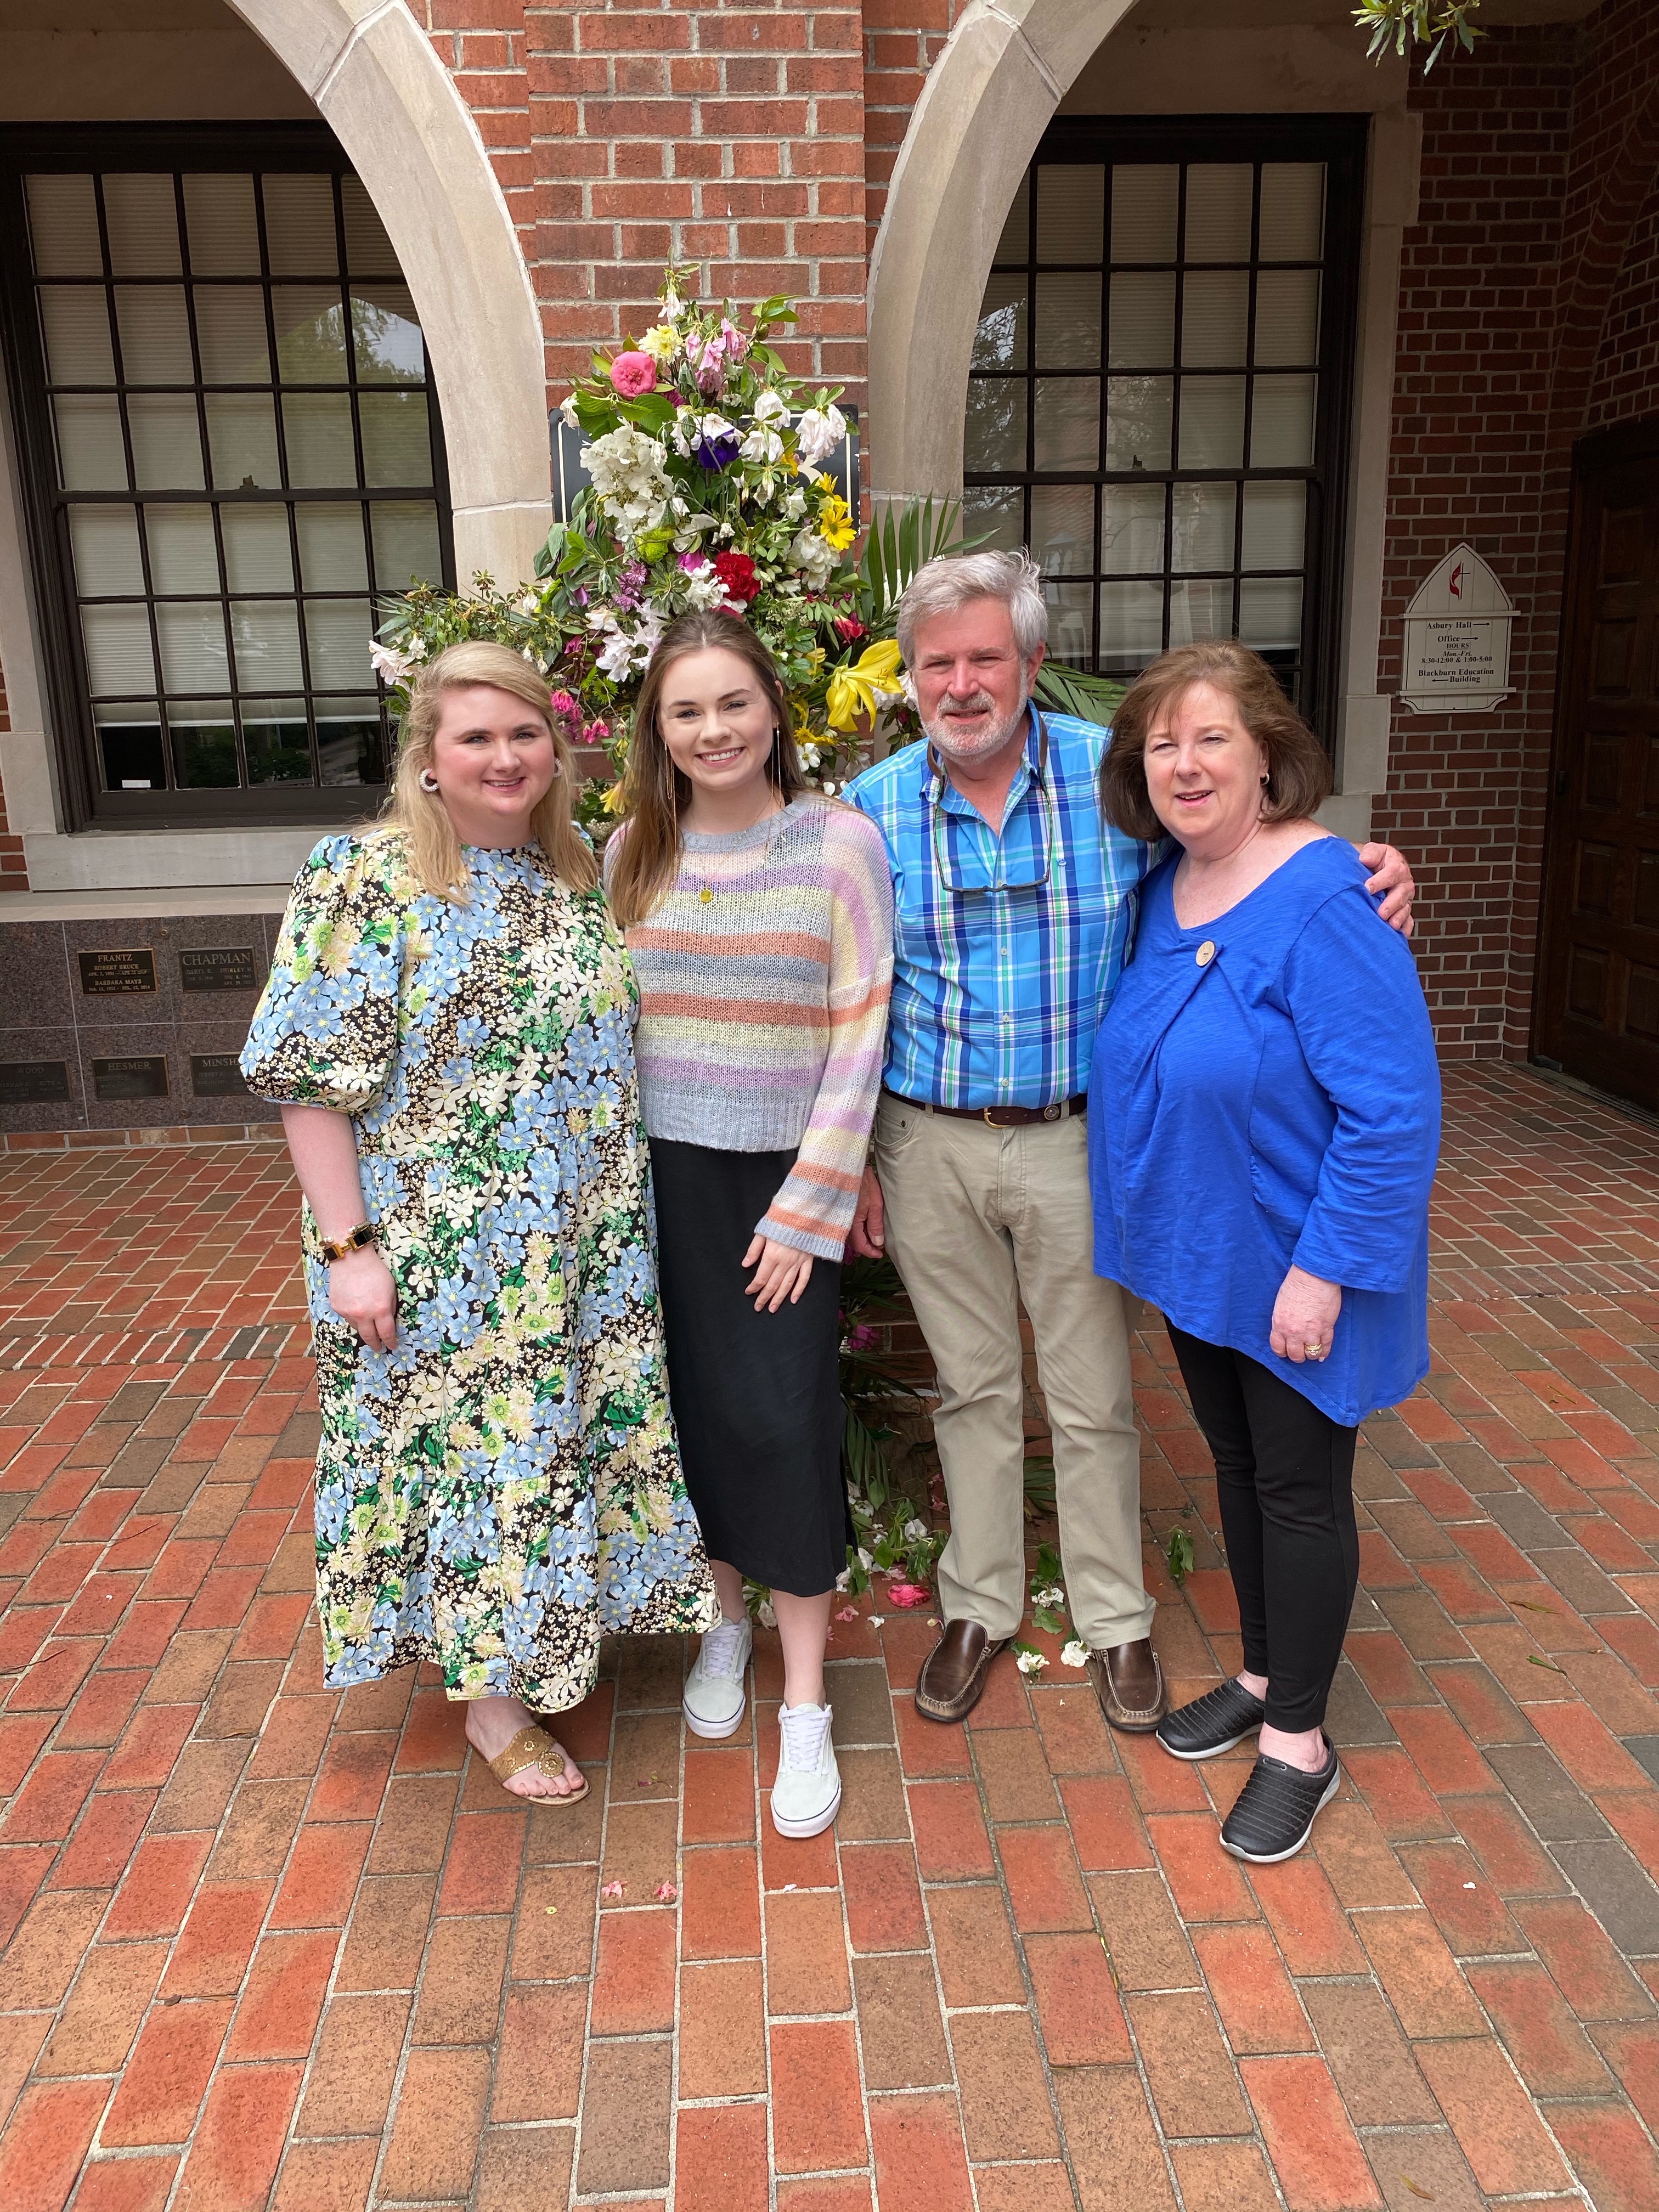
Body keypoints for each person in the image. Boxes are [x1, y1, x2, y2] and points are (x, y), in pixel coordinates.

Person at [846, 551, 1418, 1736]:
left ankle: (1114, 1619)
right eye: (938, 664)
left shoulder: (1117, 787)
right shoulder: (870, 811)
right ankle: (979, 1603)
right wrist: (851, 1158)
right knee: (971, 1387)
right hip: (927, 1138)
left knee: (1094, 1394)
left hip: (1075, 1142)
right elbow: (845, 990)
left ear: (1032, 663)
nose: (962, 685)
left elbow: (1247, 854)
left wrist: (1362, 861)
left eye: (986, 658)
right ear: (909, 676)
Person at [241, 639, 717, 1804]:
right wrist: (350, 1250)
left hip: (578, 1246)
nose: (504, 757)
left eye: (523, 734)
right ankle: (491, 1703)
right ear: (428, 757)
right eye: (475, 737)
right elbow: (309, 1080)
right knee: (468, 1463)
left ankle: (550, 1635)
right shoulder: (368, 875)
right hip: (440, 1247)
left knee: (547, 1449)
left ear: (556, 750)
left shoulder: (572, 875)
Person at [1089, 639, 1440, 1862]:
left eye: (1212, 739)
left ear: (1268, 756)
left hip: (1299, 1265)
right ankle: (1262, 1673)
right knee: (1237, 1471)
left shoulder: (1329, 900)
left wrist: (1323, 1271)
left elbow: (1393, 1110)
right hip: (1203, 1256)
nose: (1185, 765)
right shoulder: (1164, 886)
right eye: (1162, 745)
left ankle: (1301, 1742)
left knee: (1298, 1493)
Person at [606, 611, 894, 1838]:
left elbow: (861, 1026)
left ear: (774, 709)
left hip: (784, 1180)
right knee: (691, 1414)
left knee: (785, 1421)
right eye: (687, 710)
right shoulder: (632, 851)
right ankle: (723, 1622)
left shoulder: (838, 845)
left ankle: (807, 1699)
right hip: (657, 1180)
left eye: (733, 703)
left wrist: (811, 1204)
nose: (713, 729)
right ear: (658, 730)